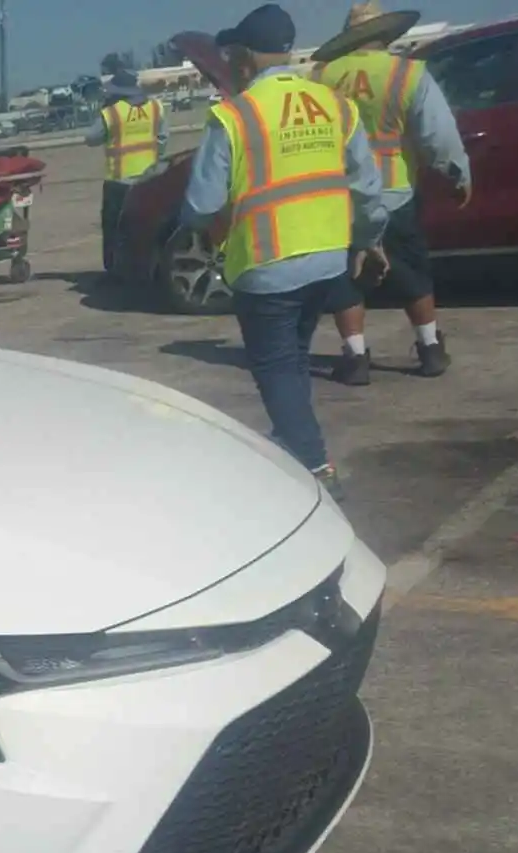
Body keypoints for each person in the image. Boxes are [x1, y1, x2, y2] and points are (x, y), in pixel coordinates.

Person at [177, 4, 387, 495]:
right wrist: (369, 239)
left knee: (276, 368)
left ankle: (314, 463)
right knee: (292, 359)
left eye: (232, 55)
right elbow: (367, 186)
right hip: (328, 258)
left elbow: (199, 205)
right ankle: (294, 439)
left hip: (266, 263)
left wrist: (206, 221)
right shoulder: (333, 104)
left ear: (245, 58)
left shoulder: (234, 115)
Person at [316, 2, 471, 383]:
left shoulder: (321, 77)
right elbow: (438, 135)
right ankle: (430, 347)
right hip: (394, 191)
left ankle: (354, 357)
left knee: (346, 279)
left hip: (341, 196)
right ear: (386, 35)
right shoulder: (407, 74)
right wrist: (458, 173)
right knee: (412, 272)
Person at [87, 71, 170, 274]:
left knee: (114, 228)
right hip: (150, 179)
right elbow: (163, 138)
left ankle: (114, 271)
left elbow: (90, 138)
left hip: (119, 180)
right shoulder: (155, 107)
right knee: (146, 225)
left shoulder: (112, 112)